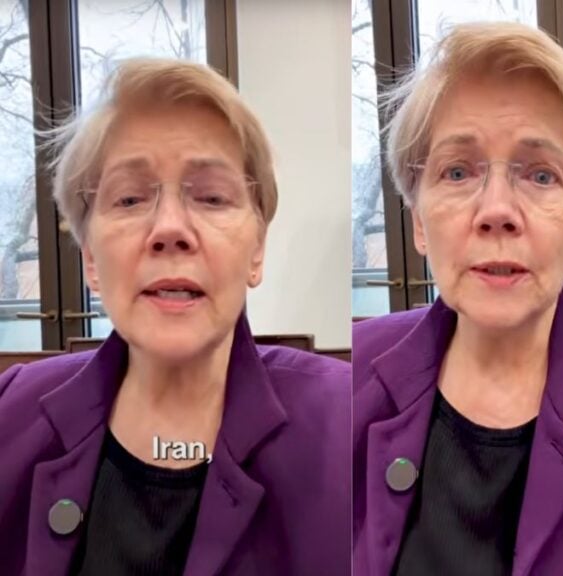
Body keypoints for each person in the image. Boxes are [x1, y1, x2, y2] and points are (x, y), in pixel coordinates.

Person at [0, 58, 351, 575]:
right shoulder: (12, 414)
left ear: (256, 251)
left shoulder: (348, 420)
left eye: (211, 197)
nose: (169, 228)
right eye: (129, 198)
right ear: (91, 261)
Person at [353, 22, 563, 576]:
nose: (496, 209)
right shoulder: (348, 384)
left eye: (540, 175)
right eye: (457, 171)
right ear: (418, 224)